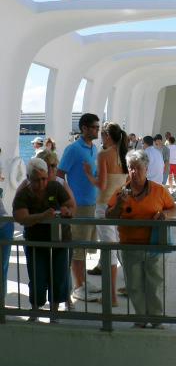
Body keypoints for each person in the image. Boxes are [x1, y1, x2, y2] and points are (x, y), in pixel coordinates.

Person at [106, 150, 176, 326]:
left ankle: (156, 320)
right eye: (131, 168)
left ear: (146, 169)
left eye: (138, 168)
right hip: (130, 247)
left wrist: (165, 215)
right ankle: (141, 319)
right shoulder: (121, 191)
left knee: (155, 285)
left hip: (154, 246)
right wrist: (120, 204)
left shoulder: (159, 190)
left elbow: (173, 209)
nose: (134, 172)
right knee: (134, 286)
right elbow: (109, 216)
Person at [13, 158, 75, 321]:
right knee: (37, 278)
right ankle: (35, 311)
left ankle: (54, 314)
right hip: (36, 243)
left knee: (59, 277)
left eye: (44, 179)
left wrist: (67, 211)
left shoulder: (55, 187)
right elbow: (21, 217)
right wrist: (42, 216)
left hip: (60, 240)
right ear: (28, 178)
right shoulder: (23, 193)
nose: (41, 183)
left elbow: (71, 204)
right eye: (36, 180)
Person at [57, 113, 102, 302]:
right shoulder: (73, 149)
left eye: (98, 127)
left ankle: (82, 281)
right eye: (94, 127)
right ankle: (78, 287)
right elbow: (60, 175)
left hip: (92, 204)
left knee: (85, 247)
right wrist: (69, 199)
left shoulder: (95, 148)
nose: (97, 130)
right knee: (77, 247)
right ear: (84, 128)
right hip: (79, 207)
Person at [83, 122, 129, 306]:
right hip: (121, 206)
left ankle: (110, 297)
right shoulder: (125, 154)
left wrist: (88, 174)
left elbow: (101, 185)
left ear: (107, 136)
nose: (101, 139)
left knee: (109, 250)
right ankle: (131, 285)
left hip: (104, 206)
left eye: (102, 135)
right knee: (121, 247)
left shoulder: (104, 154)